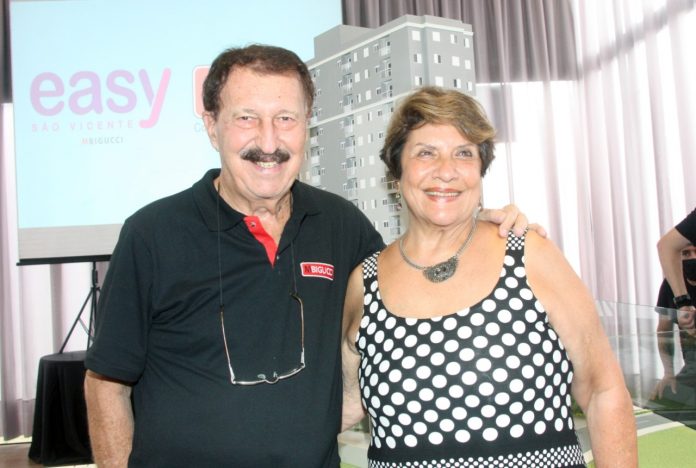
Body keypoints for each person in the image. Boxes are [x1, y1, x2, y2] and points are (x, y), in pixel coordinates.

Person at [83, 45, 531, 467]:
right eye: (246, 118)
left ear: (307, 125)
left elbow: (411, 285)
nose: (269, 140)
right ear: (211, 126)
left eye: (285, 118)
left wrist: (466, 224)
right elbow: (105, 385)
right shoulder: (153, 234)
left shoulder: (340, 224)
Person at [341, 87, 637, 467]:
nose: (445, 171)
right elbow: (347, 403)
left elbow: (603, 391)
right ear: (396, 173)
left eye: (464, 153)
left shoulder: (528, 255)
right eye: (426, 153)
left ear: (480, 171)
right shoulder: (364, 284)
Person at [651, 243, 696, 428]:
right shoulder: (671, 285)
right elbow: (664, 329)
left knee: (687, 420)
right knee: (663, 407)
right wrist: (668, 373)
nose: (692, 257)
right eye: (686, 253)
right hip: (692, 366)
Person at [657, 208, 696, 331]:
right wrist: (683, 303)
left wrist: (683, 304)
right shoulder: (669, 284)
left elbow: (667, 245)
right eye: (686, 253)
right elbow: (667, 245)